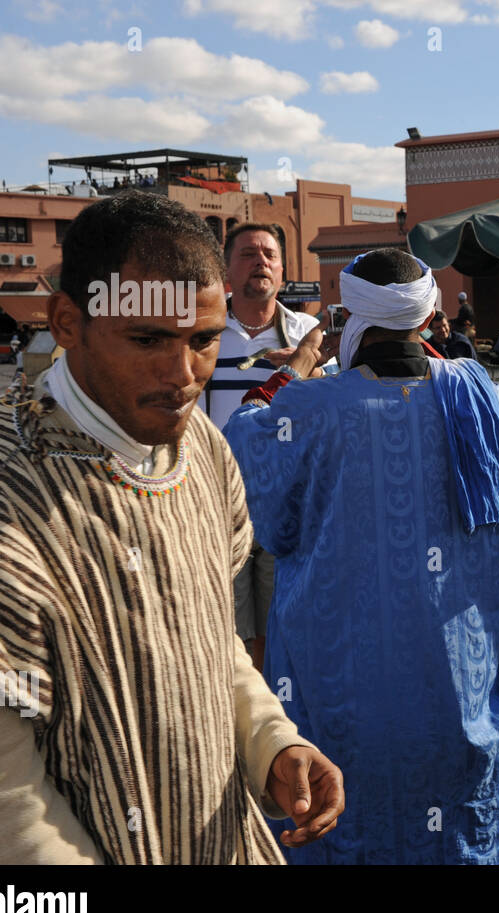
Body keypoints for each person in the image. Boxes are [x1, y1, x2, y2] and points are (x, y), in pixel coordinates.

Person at [0, 191, 344, 864]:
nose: (183, 374)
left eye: (203, 340)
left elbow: (215, 641)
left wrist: (275, 744)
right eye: (148, 339)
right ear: (68, 322)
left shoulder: (205, 450)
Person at [224, 248, 499, 864]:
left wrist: (296, 371)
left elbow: (245, 455)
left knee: (348, 810)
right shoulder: (474, 394)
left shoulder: (310, 408)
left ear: (349, 317)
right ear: (426, 317)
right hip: (458, 678)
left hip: (342, 679)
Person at [201, 222, 327, 671]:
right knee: (225, 627)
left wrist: (305, 366)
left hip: (287, 499)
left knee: (281, 621)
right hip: (218, 499)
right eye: (249, 254)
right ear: (226, 269)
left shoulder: (309, 331)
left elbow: (331, 410)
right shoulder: (204, 331)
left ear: (283, 270)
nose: (261, 263)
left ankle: (277, 722)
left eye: (270, 255)